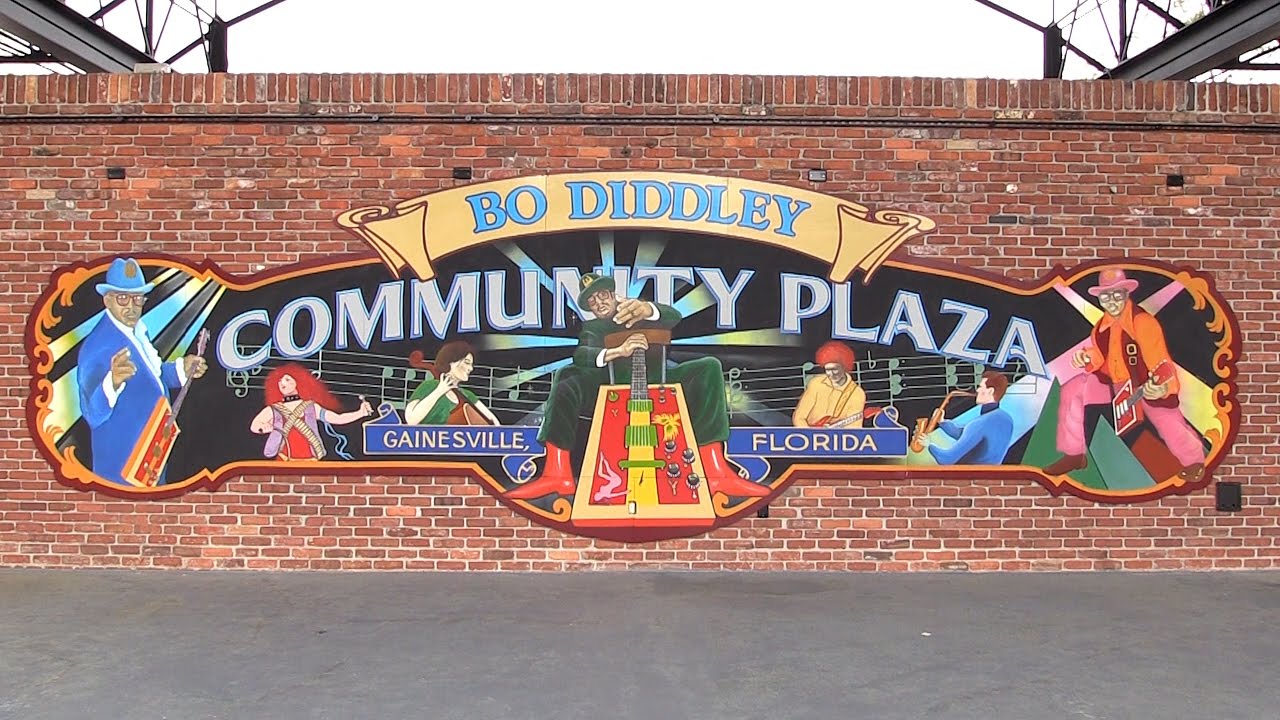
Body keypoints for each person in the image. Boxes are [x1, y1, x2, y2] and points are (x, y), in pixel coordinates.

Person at [505, 272, 768, 500]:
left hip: (658, 381)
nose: (599, 303)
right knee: (567, 375)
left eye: (602, 295)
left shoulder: (642, 312)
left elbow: (673, 316)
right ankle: (557, 472)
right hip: (608, 387)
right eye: (592, 301)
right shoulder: (592, 327)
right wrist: (618, 350)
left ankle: (714, 470)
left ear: (613, 293)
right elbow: (582, 354)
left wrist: (647, 309)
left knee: (709, 366)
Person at [1042, 268, 1206, 481]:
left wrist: (1163, 388)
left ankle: (1194, 462)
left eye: (1117, 294)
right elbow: (1101, 357)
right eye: (1106, 296)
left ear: (1127, 294)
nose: (1112, 300)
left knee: (1166, 419)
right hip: (1113, 385)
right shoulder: (1100, 327)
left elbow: (1161, 362)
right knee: (1073, 389)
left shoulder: (1143, 323)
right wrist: (1087, 358)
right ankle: (1074, 454)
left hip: (1142, 384)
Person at [76, 257, 208, 486]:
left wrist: (181, 369)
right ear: (107, 300)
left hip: (151, 458)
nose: (131, 307)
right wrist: (112, 382)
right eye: (123, 298)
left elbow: (151, 377)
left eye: (137, 299)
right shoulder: (99, 345)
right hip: (121, 468)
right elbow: (91, 413)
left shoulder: (137, 331)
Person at [250, 363, 372, 461]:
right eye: (280, 380)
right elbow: (255, 426)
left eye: (287, 379)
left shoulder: (311, 407)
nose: (282, 383)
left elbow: (337, 418)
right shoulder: (274, 409)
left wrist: (360, 413)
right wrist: (267, 428)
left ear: (299, 382)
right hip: (284, 460)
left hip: (311, 461)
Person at [914, 371, 1014, 465]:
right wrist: (943, 422)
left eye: (980, 387)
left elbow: (947, 459)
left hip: (971, 478)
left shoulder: (979, 424)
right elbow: (968, 436)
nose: (977, 390)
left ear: (990, 391)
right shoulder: (1006, 419)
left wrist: (929, 444)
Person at [404, 341, 500, 426]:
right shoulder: (430, 386)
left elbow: (493, 420)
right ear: (451, 362)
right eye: (466, 363)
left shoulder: (467, 395)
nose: (471, 368)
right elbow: (411, 420)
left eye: (471, 364)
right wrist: (439, 391)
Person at [793, 341, 867, 428]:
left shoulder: (857, 393)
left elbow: (853, 429)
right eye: (827, 370)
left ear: (844, 367)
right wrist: (810, 435)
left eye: (834, 369)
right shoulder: (816, 383)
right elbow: (799, 417)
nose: (830, 374)